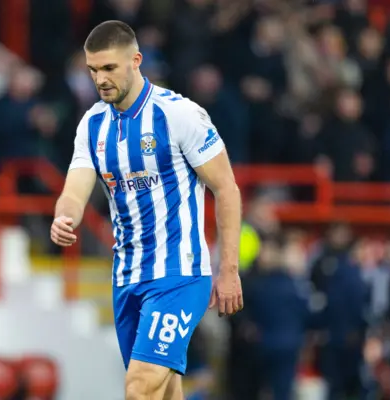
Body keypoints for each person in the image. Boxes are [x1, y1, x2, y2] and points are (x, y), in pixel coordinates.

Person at [50, 20, 243, 399]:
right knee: (165, 390)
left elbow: (227, 188)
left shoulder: (179, 115)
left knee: (140, 387)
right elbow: (74, 188)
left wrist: (229, 270)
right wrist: (64, 215)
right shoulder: (92, 125)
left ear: (136, 61)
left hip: (178, 275)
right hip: (127, 278)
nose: (100, 79)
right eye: (93, 70)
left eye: (109, 68)